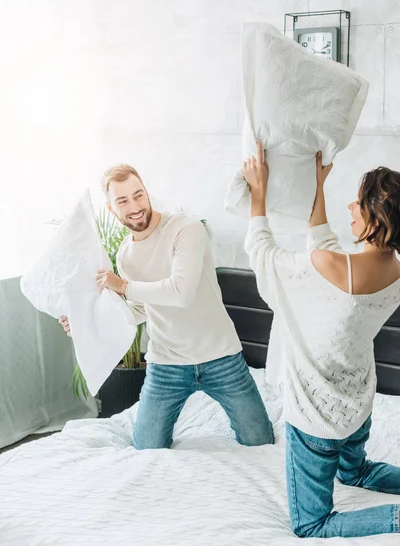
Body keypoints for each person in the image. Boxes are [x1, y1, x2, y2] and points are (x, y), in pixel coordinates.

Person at [243, 142, 400, 539]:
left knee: (312, 523)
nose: (351, 207)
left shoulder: (330, 268)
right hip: (358, 406)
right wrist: (318, 187)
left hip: (317, 420)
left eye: (358, 202)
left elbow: (263, 254)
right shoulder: (395, 270)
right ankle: (357, 469)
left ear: (377, 217)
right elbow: (326, 246)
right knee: (357, 471)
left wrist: (258, 194)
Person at [60, 163, 273, 450]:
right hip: (166, 364)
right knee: (146, 446)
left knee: (260, 440)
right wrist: (86, 325)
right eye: (123, 201)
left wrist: (122, 286)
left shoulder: (185, 229)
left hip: (221, 356)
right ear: (112, 209)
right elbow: (140, 310)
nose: (134, 206)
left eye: (138, 195)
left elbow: (180, 292)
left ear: (146, 192)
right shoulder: (125, 255)